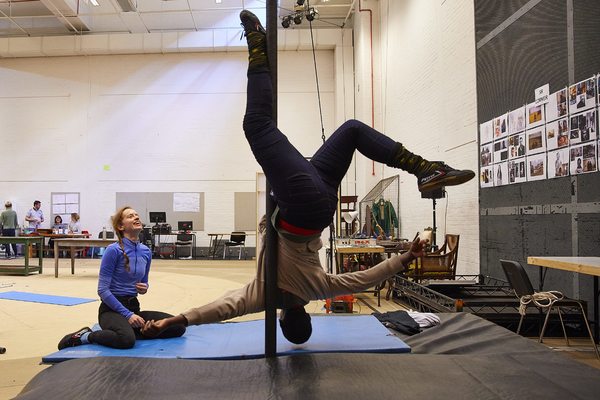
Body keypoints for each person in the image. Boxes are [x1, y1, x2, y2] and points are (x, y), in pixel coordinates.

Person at [141, 10, 475, 345]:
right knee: (257, 125)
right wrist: (177, 319)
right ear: (283, 318)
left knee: (353, 130)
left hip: (321, 206)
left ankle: (424, 168)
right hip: (300, 208)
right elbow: (221, 308)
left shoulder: (319, 289)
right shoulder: (265, 296)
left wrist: (405, 257)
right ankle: (257, 43)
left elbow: (364, 278)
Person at [57, 206, 186, 350]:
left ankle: (129, 330)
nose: (136, 217)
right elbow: (102, 290)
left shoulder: (146, 252)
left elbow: (144, 283)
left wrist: (145, 287)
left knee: (178, 326)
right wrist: (128, 315)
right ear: (120, 226)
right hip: (111, 310)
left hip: (134, 307)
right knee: (126, 340)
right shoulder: (113, 250)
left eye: (137, 215)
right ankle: (86, 335)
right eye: (130, 216)